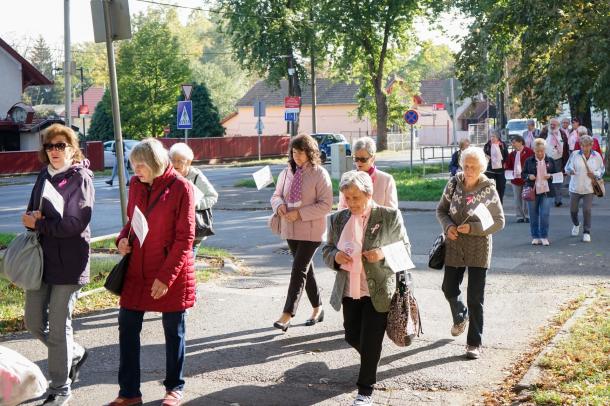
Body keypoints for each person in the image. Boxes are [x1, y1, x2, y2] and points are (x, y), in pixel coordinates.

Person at [109, 138, 195, 406]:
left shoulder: (182, 188)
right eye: (133, 165)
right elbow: (132, 222)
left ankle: (174, 388)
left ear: (157, 163)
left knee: (173, 331)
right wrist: (122, 240)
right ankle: (129, 392)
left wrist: (165, 278)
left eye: (141, 165)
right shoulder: (135, 184)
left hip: (171, 273)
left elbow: (185, 239)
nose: (136, 170)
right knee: (127, 326)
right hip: (137, 269)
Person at [322, 170, 411, 406]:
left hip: (379, 290)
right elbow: (326, 249)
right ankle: (372, 360)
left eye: (356, 198)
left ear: (368, 194)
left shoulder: (389, 216)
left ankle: (365, 391)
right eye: (347, 198)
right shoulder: (337, 219)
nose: (351, 203)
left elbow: (406, 250)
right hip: (350, 290)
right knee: (352, 335)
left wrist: (381, 253)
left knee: (371, 340)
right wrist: (336, 256)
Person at [21, 124, 94, 406]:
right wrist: (32, 216)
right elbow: (32, 209)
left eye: (60, 146)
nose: (54, 151)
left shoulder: (81, 179)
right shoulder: (43, 175)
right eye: (50, 146)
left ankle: (60, 386)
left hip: (70, 262)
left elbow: (75, 223)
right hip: (42, 260)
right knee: (34, 321)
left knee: (59, 322)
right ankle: (72, 352)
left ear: (72, 148)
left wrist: (41, 223)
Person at [436, 147, 505, 360]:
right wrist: (448, 227)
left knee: (475, 297)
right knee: (448, 287)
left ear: (481, 167)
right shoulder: (454, 184)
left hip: (478, 248)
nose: (469, 170)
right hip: (455, 244)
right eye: (466, 165)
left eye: (473, 166)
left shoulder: (488, 189)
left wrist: (473, 229)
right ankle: (460, 314)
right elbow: (441, 210)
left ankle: (474, 343)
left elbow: (499, 221)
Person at [270, 134, 333, 331]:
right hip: (290, 229)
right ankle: (318, 308)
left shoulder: (319, 173)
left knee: (298, 269)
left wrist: (300, 213)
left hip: (311, 230)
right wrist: (279, 206)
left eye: (301, 152)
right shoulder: (286, 172)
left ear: (310, 152)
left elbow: (326, 204)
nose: (297, 156)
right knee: (306, 270)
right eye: (294, 152)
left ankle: (287, 314)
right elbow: (276, 195)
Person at [168, 142, 218, 255]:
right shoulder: (169, 176)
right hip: (174, 228)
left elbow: (213, 196)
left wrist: (194, 204)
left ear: (189, 162)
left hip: (194, 230)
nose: (175, 163)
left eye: (179, 160)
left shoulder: (196, 176)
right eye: (172, 160)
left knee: (188, 261)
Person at [338, 136, 398, 210]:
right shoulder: (346, 177)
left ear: (373, 158)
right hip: (353, 221)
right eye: (356, 158)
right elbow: (341, 209)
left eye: (363, 159)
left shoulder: (386, 180)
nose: (359, 162)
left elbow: (391, 212)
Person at [564, 135, 605, 242]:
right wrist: (570, 170)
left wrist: (595, 174)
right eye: (582, 145)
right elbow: (567, 167)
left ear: (591, 145)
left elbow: (602, 170)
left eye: (587, 145)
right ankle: (576, 224)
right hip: (575, 187)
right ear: (580, 145)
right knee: (573, 210)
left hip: (589, 188)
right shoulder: (574, 154)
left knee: (587, 210)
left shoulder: (597, 156)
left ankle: (586, 232)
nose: (585, 148)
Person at [521, 138, 557, 246]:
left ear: (545, 150)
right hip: (533, 190)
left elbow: (556, 176)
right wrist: (529, 176)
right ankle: (535, 236)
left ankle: (544, 236)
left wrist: (550, 176)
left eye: (542, 150)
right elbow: (523, 174)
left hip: (547, 191)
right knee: (533, 214)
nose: (540, 153)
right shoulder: (529, 160)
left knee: (545, 214)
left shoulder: (550, 160)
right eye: (537, 151)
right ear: (534, 150)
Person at [540, 118, 569, 207]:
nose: (552, 126)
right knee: (545, 179)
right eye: (551, 124)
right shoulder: (545, 133)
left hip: (558, 160)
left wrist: (566, 162)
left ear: (558, 126)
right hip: (546, 159)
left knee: (558, 180)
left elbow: (566, 148)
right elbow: (538, 143)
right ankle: (546, 199)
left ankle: (558, 200)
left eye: (554, 125)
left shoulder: (562, 134)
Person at [505, 135, 534, 223]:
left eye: (514, 142)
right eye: (512, 143)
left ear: (520, 142)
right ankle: (519, 216)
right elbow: (508, 166)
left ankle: (527, 215)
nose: (512, 144)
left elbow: (533, 164)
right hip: (515, 180)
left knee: (526, 197)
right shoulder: (512, 154)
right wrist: (508, 172)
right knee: (517, 198)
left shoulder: (529, 152)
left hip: (526, 179)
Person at [483, 130, 508, 203]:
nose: (492, 138)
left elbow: (506, 156)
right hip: (490, 170)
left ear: (498, 137)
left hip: (500, 171)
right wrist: (486, 156)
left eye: (494, 136)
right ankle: (491, 204)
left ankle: (500, 203)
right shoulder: (487, 145)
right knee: (490, 188)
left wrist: (505, 163)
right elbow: (483, 154)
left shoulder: (502, 145)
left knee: (501, 188)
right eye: (491, 136)